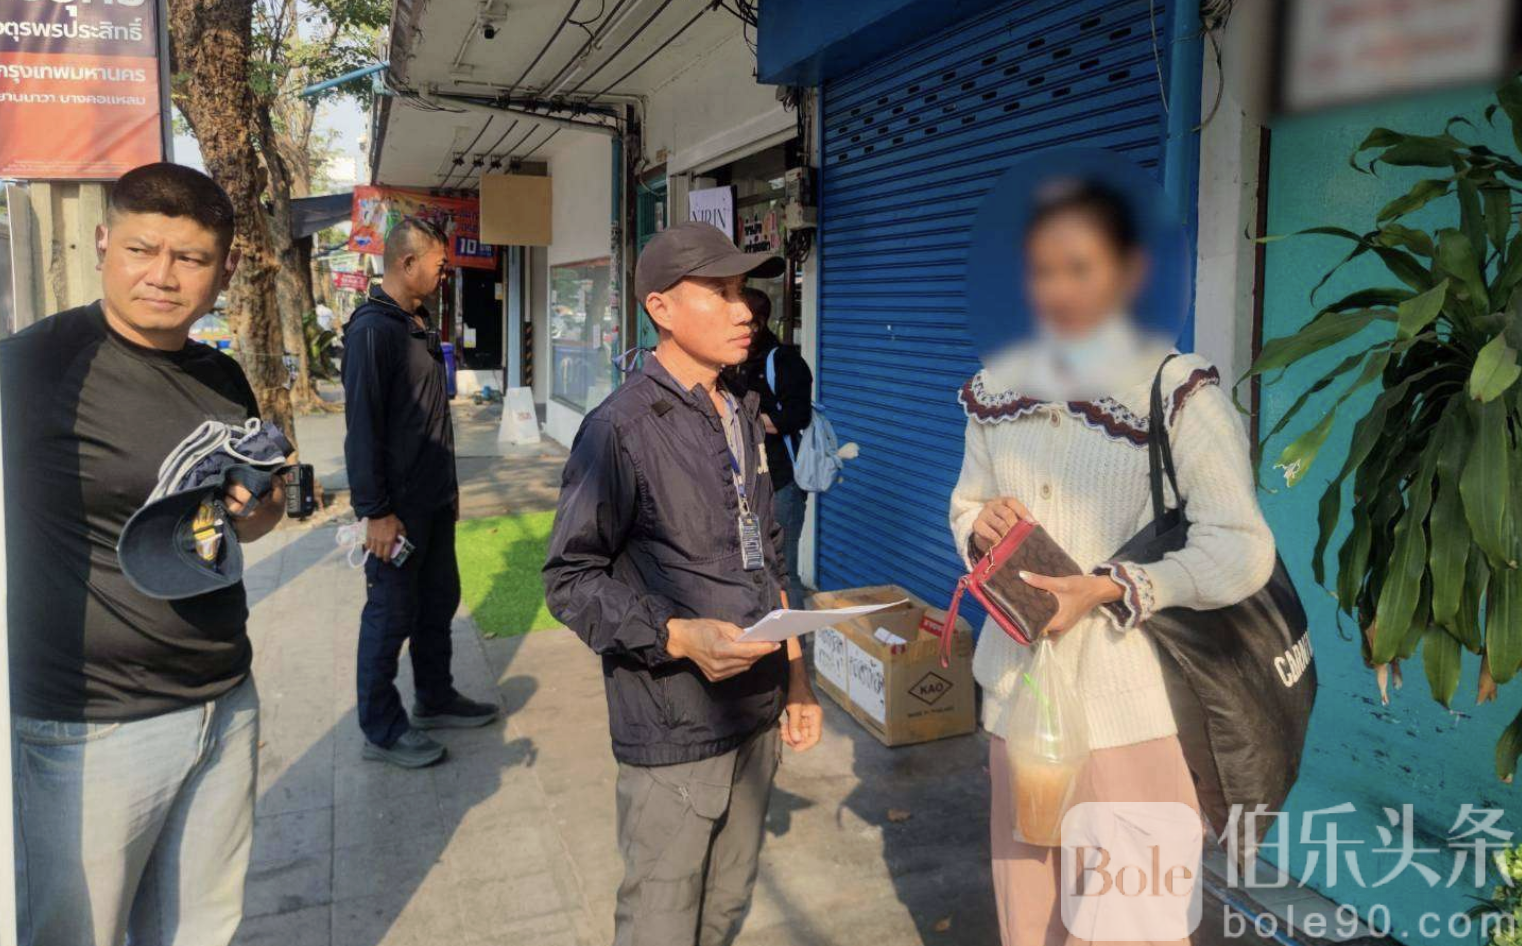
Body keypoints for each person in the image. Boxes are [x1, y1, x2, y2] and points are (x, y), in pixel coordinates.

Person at [947, 181, 1276, 946]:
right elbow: (966, 505)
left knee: (1135, 923)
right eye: (1043, 270)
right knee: (1031, 916)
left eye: (1081, 267)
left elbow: (1242, 545)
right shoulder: (996, 389)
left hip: (1135, 710)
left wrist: (1112, 587)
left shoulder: (1176, 390)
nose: (1059, 289)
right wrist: (977, 527)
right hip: (1019, 702)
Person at [1, 162, 287, 946]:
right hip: (89, 729)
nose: (162, 276)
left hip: (223, 700)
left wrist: (259, 508)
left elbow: (240, 524)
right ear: (104, 243)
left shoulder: (222, 375)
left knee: (201, 931)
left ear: (224, 268)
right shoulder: (34, 369)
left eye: (189, 258)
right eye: (141, 249)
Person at [544, 221, 825, 946]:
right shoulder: (620, 429)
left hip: (756, 714)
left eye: (745, 291)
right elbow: (570, 579)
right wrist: (675, 635)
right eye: (720, 291)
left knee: (726, 908)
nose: (744, 309)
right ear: (660, 308)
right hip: (674, 728)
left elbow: (769, 558)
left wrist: (797, 682)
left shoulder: (743, 410)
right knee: (661, 925)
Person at [342, 217, 498, 769]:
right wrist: (375, 512)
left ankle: (434, 697)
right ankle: (382, 729)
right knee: (390, 616)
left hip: (433, 502)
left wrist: (449, 492)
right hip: (397, 512)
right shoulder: (372, 331)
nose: (444, 273)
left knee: (438, 602)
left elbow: (432, 420)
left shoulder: (418, 321)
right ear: (407, 263)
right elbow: (363, 430)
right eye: (439, 264)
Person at [731, 288, 813, 610]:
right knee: (750, 567)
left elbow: (797, 416)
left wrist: (745, 418)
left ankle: (795, 638)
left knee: (783, 571)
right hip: (744, 485)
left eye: (743, 319)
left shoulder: (784, 361)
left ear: (760, 322)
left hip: (781, 484)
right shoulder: (733, 360)